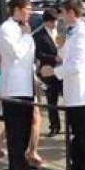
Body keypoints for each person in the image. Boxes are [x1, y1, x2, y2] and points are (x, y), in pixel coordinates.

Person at [44, 0, 85, 170]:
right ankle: (76, 167)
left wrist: (54, 71)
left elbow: (77, 65)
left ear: (71, 12)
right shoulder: (72, 32)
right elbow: (66, 57)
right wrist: (60, 47)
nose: (60, 16)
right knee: (76, 133)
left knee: (84, 133)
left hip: (82, 93)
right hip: (74, 92)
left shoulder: (82, 34)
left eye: (62, 12)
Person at [0, 0, 38, 170]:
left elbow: (29, 57)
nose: (30, 12)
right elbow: (16, 53)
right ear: (18, 9)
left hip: (26, 85)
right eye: (28, 9)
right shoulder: (6, 28)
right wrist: (27, 36)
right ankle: (16, 165)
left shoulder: (24, 28)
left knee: (26, 127)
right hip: (13, 86)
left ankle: (22, 161)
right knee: (16, 129)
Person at [33, 8, 63, 138]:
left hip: (64, 70)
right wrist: (53, 58)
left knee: (68, 98)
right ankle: (54, 126)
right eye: (52, 21)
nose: (54, 24)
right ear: (45, 22)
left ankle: (71, 125)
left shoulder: (61, 33)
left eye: (56, 21)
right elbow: (38, 53)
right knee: (52, 100)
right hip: (48, 71)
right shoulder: (38, 36)